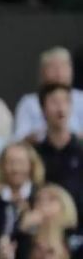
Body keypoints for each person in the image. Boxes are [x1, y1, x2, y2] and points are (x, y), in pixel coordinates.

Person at [6, 184, 80, 259]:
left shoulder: (74, 236)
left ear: (65, 205)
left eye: (51, 199)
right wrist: (23, 228)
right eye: (38, 200)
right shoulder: (25, 237)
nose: (43, 203)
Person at [34, 83, 83, 229]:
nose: (60, 108)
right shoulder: (35, 153)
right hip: (44, 223)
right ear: (43, 109)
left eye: (65, 101)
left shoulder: (80, 150)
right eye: (54, 102)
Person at [14, 47, 83, 142]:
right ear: (42, 72)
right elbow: (19, 139)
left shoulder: (81, 99)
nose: (59, 72)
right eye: (53, 68)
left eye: (63, 67)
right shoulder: (29, 103)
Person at [0, 142, 46, 238]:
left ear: (31, 165)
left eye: (21, 163)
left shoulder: (41, 197)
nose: (16, 169)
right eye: (10, 162)